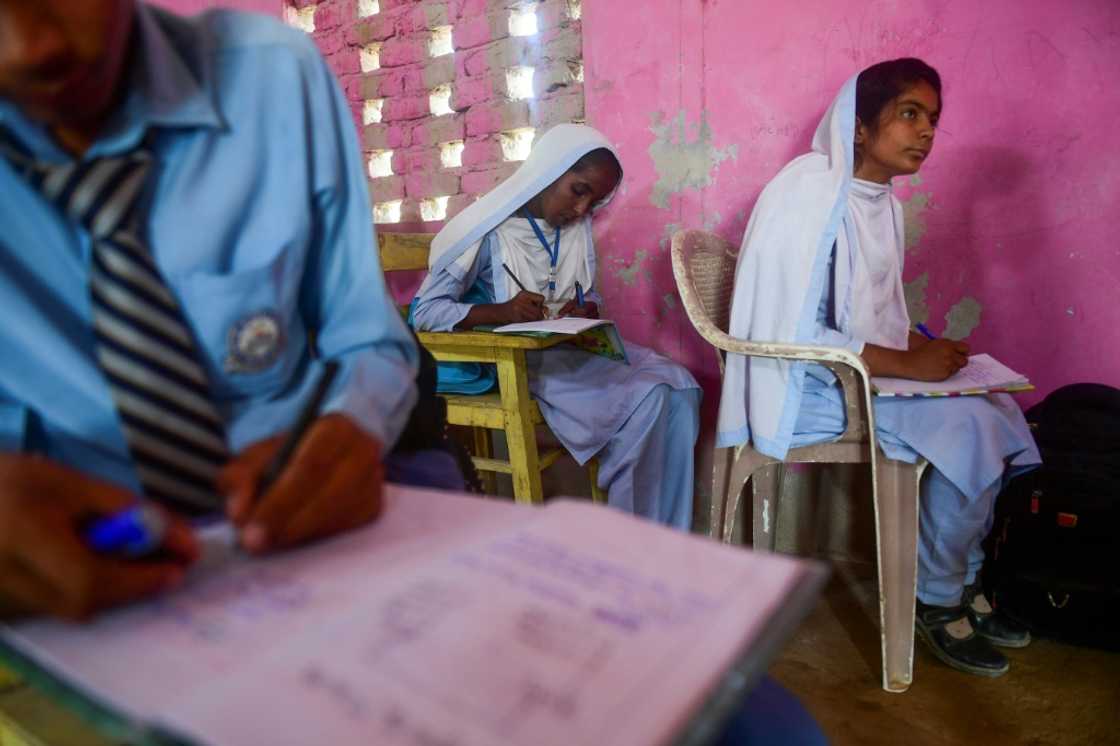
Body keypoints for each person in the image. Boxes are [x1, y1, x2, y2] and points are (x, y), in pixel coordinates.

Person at [0, 0, 462, 621]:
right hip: (67, 586)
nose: (33, 49)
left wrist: (355, 424)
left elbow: (366, 341)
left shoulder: (273, 80)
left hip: (295, 549)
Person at [718, 59, 1041, 677]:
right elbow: (793, 330)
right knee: (969, 426)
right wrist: (909, 365)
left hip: (855, 374)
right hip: (803, 384)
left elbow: (868, 314)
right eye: (909, 114)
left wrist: (920, 349)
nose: (925, 132)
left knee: (995, 406)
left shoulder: (880, 202)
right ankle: (940, 601)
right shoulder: (810, 191)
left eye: (933, 120)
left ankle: (965, 582)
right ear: (859, 127)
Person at [410, 124, 701, 528]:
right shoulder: (486, 230)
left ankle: (666, 541)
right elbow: (425, 312)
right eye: (578, 190)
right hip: (524, 363)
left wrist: (584, 309)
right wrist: (500, 312)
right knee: (648, 398)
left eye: (594, 200)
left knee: (681, 387)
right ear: (547, 172)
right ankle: (630, 545)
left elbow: (585, 293)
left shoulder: (574, 231)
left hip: (570, 349)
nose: (582, 210)